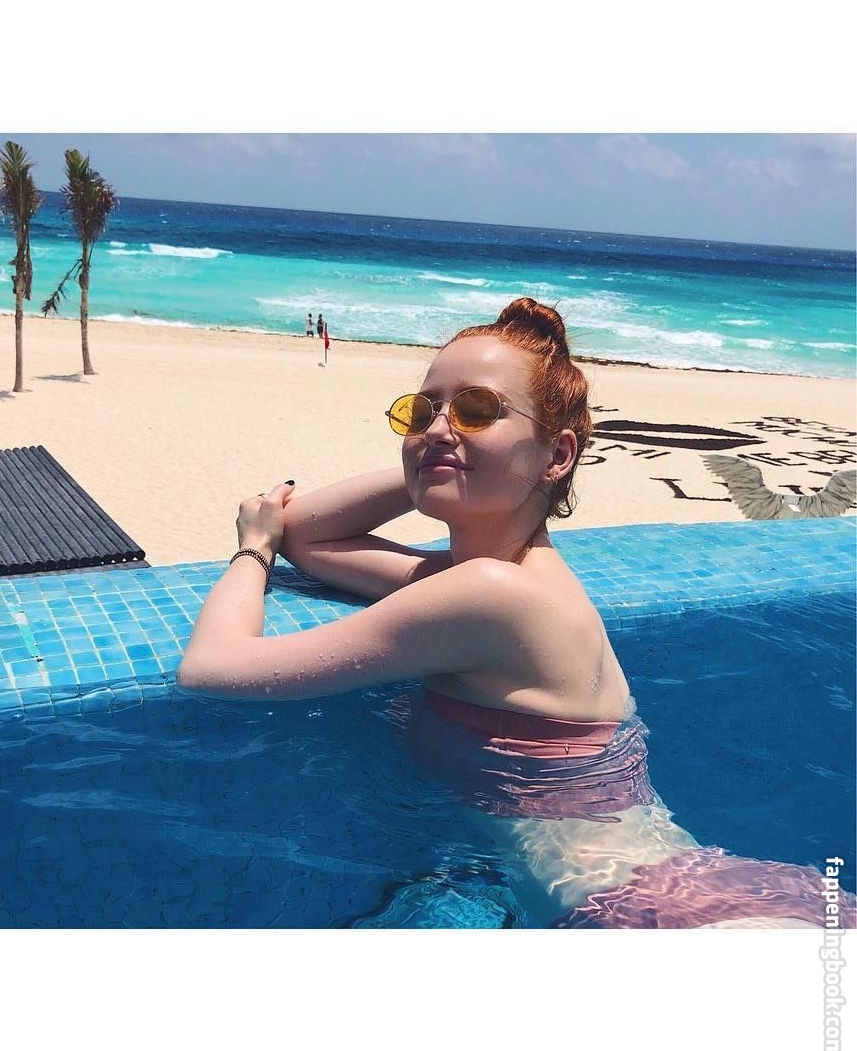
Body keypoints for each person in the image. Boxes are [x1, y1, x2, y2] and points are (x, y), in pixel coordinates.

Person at [178, 296, 853, 928]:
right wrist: (451, 455)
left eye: (478, 410)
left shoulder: (489, 596)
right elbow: (312, 538)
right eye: (422, 411)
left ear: (558, 454)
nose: (437, 426)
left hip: (654, 918)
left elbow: (212, 667)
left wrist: (251, 552)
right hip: (682, 890)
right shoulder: (497, 583)